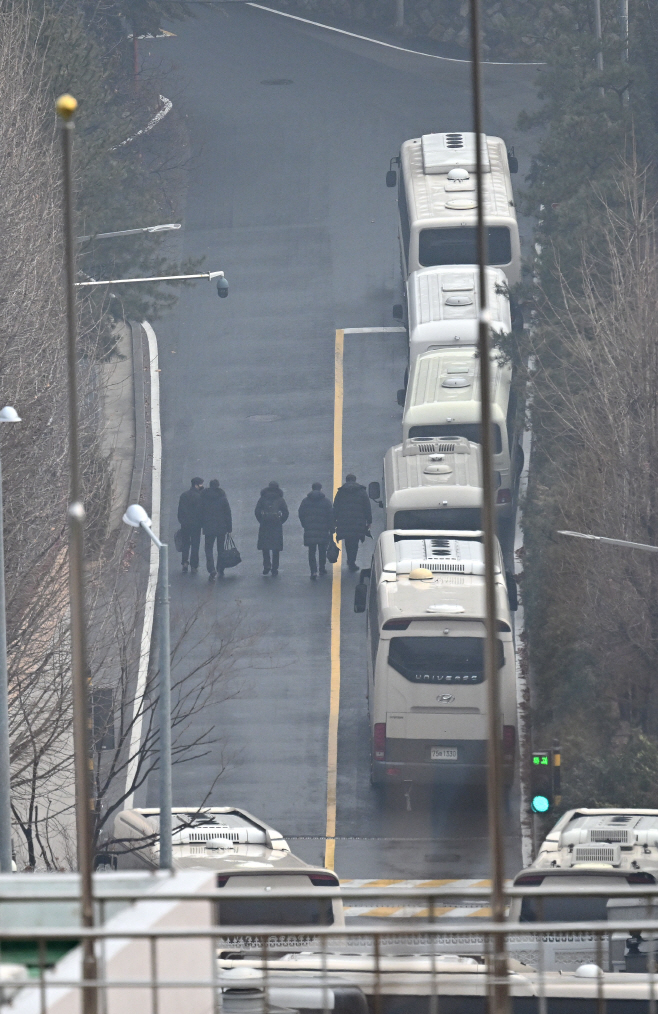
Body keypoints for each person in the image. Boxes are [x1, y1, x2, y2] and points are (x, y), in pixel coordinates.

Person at [333, 473, 372, 572]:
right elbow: (367, 507)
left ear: (346, 480)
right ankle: (352, 561)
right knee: (355, 542)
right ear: (355, 480)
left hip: (344, 521)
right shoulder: (362, 491)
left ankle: (350, 560)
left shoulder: (341, 492)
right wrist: (369, 521)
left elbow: (335, 507)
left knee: (347, 541)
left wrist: (334, 520)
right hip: (358, 522)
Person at [298, 482, 334, 579]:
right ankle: (322, 569)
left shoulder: (305, 501)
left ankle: (313, 571)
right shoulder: (326, 502)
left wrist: (305, 524)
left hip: (310, 529)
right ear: (321, 489)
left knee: (311, 551)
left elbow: (301, 513)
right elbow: (331, 516)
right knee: (322, 550)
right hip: (323, 529)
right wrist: (331, 529)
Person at [201, 479, 232, 581]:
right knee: (220, 549)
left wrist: (202, 524)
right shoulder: (222, 498)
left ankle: (211, 569)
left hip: (209, 527)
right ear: (218, 486)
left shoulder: (204, 497)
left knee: (208, 548)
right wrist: (229, 528)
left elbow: (200, 511)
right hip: (221, 527)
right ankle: (220, 568)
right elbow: (227, 513)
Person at [255, 481, 289, 577]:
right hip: (276, 524)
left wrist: (261, 520)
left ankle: (266, 566)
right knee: (276, 547)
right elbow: (285, 512)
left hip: (265, 523)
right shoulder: (280, 499)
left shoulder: (262, 498)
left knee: (265, 546)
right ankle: (275, 568)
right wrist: (281, 521)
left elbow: (257, 511)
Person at [177, 477, 204, 573]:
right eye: (201, 484)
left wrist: (182, 521)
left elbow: (180, 511)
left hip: (185, 525)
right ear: (196, 485)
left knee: (185, 544)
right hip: (196, 525)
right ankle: (194, 565)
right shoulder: (200, 496)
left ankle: (184, 562)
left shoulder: (184, 495)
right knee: (195, 545)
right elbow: (202, 512)